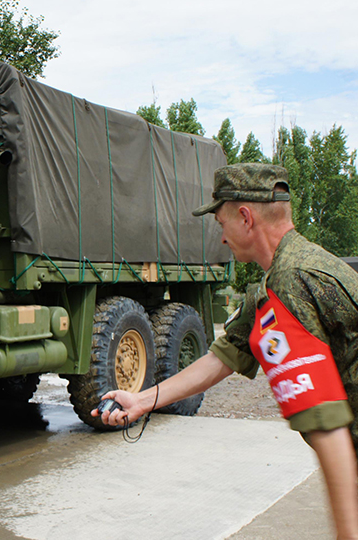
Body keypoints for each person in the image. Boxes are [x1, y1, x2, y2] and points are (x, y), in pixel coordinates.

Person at [93, 163, 358, 539]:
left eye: (221, 224)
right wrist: (143, 400)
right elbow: (222, 358)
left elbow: (327, 427)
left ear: (245, 217)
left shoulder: (288, 286)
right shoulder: (290, 272)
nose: (220, 238)